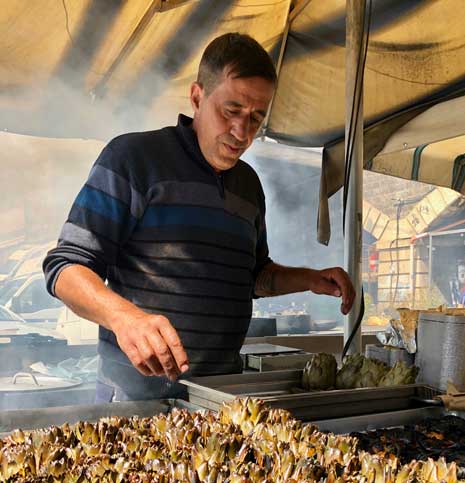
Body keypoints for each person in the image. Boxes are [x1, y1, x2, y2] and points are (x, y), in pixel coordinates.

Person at [43, 33, 355, 402]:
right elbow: (65, 267)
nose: (242, 132)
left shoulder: (248, 186)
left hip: (220, 399)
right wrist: (124, 318)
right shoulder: (133, 159)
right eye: (231, 111)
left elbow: (254, 277)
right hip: (134, 401)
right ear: (197, 97)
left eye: (256, 117)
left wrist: (309, 279)